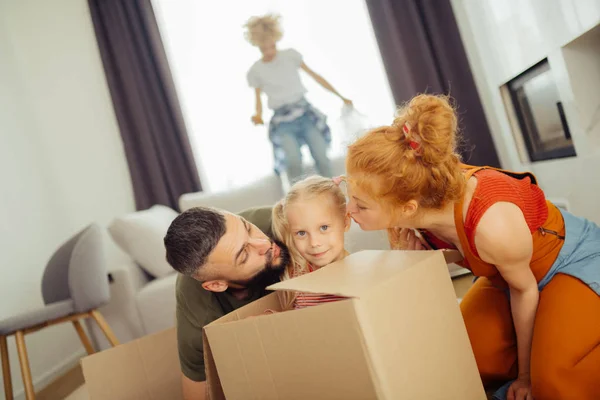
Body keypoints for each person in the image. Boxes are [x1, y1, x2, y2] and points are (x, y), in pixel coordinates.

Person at [343, 94, 600, 400]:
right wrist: (412, 260)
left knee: (553, 384)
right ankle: (550, 336)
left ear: (409, 208)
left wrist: (527, 376)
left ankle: (558, 347)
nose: (349, 209)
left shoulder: (492, 223)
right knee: (462, 357)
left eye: (359, 204)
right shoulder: (414, 190)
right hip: (507, 275)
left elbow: (525, 289)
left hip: (569, 262)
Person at [164, 206, 290, 400]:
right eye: (244, 255)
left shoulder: (282, 222)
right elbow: (197, 390)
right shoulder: (199, 313)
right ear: (217, 284)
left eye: (248, 228)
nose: (263, 243)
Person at [244, 14, 352, 183]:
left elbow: (316, 76)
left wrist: (340, 96)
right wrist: (258, 115)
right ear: (257, 44)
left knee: (321, 157)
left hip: (305, 114)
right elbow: (257, 99)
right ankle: (298, 202)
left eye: (271, 45)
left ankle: (334, 195)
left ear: (275, 39)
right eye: (264, 48)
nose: (269, 51)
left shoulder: (290, 56)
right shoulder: (255, 71)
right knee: (293, 162)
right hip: (283, 121)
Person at [272, 175, 350, 309]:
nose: (314, 243)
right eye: (301, 233)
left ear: (345, 222)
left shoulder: (359, 273)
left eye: (324, 228)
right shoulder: (295, 278)